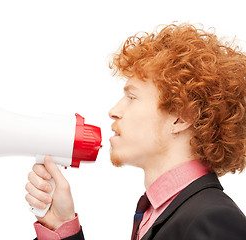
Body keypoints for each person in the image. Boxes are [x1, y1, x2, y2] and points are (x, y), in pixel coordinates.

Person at [25, 23, 246, 240]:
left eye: (132, 98)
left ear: (181, 118)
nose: (114, 111)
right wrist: (62, 227)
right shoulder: (161, 214)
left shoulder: (213, 220)